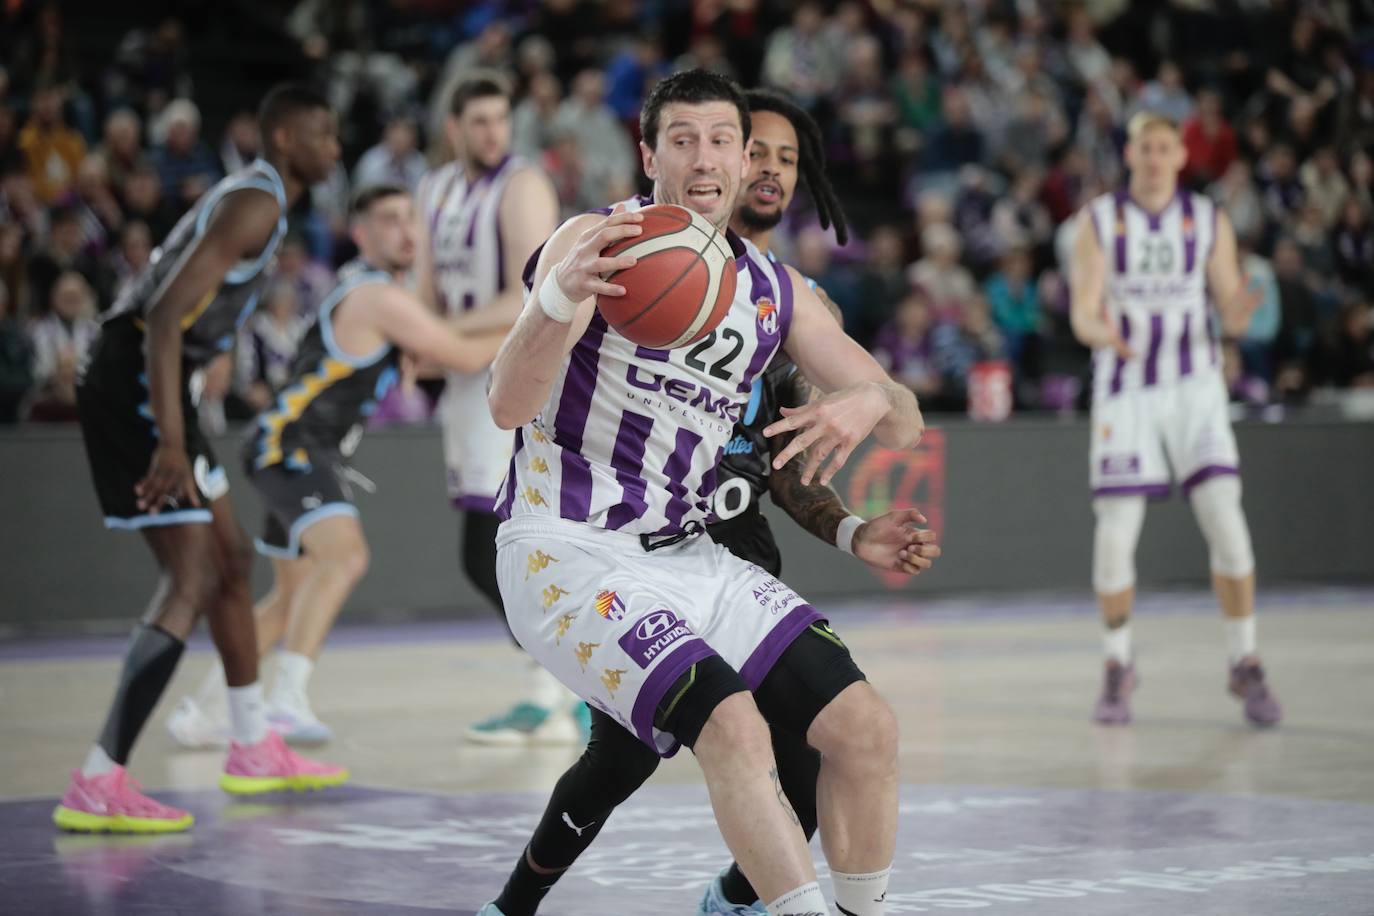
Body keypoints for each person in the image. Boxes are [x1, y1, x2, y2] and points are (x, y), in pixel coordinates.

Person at [480, 87, 940, 916]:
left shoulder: (773, 287)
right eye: (683, 140)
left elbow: (902, 419)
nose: (705, 157)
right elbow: (506, 406)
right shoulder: (595, 240)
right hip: (565, 545)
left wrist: (872, 399)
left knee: (865, 729)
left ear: (740, 155)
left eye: (722, 139)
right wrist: (555, 302)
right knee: (732, 727)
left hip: (690, 553)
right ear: (650, 156)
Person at [55, 85, 346, 835]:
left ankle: (250, 742)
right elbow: (158, 316)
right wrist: (173, 440)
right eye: (322, 133)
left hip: (158, 378)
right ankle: (98, 777)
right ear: (283, 136)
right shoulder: (257, 203)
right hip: (135, 376)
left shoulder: (260, 198)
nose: (335, 148)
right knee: (189, 574)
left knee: (232, 556)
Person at [165, 184, 507, 747]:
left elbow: (430, 355)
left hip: (288, 447)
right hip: (290, 447)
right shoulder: (376, 296)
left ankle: (204, 714)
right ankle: (285, 701)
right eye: (389, 220)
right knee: (346, 557)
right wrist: (546, 314)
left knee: (289, 599)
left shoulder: (376, 294)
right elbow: (463, 356)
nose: (404, 231)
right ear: (361, 233)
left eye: (409, 220)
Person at [1069, 111, 1281, 728]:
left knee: (1226, 520)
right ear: (1130, 154)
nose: (1156, 157)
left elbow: (1231, 313)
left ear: (1181, 157)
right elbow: (1084, 310)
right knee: (1115, 530)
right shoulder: (1099, 221)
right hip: (1125, 383)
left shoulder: (1208, 220)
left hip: (1194, 386)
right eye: (1146, 147)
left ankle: (1245, 659)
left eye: (1166, 147)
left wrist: (1241, 310)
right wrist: (1099, 331)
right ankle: (1117, 664)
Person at [413, 71, 577, 744]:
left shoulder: (523, 186)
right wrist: (426, 338)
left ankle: (562, 687)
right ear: (453, 128)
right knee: (485, 553)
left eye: (499, 120)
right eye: (478, 121)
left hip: (510, 380)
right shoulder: (435, 188)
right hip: (460, 380)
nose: (492, 133)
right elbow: (423, 286)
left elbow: (531, 296)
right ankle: (559, 687)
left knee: (493, 551)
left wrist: (444, 340)